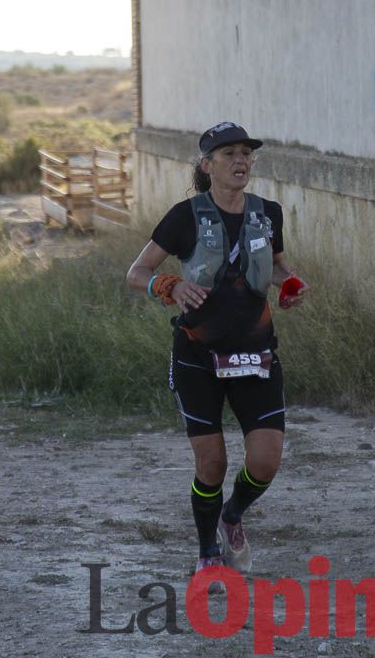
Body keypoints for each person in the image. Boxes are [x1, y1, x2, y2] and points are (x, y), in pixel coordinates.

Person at [126, 122, 308, 587]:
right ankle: (207, 549)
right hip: (198, 357)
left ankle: (233, 515)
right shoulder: (185, 216)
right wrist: (169, 284)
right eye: (229, 154)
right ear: (208, 166)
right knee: (212, 464)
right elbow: (137, 271)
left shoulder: (268, 213)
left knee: (265, 461)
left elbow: (277, 263)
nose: (241, 161)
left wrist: (289, 283)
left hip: (256, 354)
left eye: (246, 153)